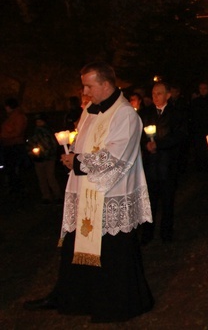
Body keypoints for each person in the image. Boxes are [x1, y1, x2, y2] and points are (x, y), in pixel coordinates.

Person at [24, 61, 153, 322]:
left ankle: (115, 302)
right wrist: (71, 153)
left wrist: (80, 162)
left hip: (109, 193)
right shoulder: (89, 110)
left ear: (106, 84)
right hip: (84, 191)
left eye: (88, 85)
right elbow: (82, 140)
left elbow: (118, 156)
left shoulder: (126, 114)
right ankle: (70, 296)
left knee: (112, 251)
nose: (84, 91)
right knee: (75, 245)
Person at [139, 81, 187, 245]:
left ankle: (166, 233)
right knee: (149, 201)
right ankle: (147, 233)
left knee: (167, 202)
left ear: (168, 95)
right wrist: (146, 145)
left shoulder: (176, 114)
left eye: (159, 93)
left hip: (168, 164)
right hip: (150, 165)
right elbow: (138, 136)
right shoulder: (146, 114)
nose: (155, 97)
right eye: (153, 94)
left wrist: (159, 144)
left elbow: (180, 136)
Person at [27, 113, 63, 204]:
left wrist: (47, 152)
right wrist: (33, 152)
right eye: (37, 122)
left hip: (49, 158)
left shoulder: (48, 131)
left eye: (40, 121)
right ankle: (46, 195)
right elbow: (30, 143)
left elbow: (53, 144)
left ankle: (57, 195)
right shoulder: (34, 132)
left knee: (50, 176)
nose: (38, 123)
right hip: (38, 159)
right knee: (41, 178)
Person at [1, 98, 28, 195]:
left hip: (14, 145)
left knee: (14, 167)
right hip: (9, 145)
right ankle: (14, 187)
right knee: (10, 168)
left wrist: (4, 136)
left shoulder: (18, 117)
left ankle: (18, 188)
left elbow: (17, 132)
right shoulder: (11, 116)